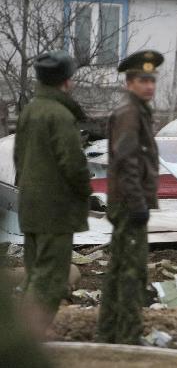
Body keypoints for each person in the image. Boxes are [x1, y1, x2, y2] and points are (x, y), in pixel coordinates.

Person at [13, 50, 91, 329]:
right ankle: (28, 341)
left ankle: (21, 337)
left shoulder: (31, 110)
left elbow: (18, 159)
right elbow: (73, 164)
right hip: (54, 211)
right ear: (66, 81)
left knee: (35, 275)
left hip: (31, 207)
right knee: (50, 280)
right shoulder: (59, 114)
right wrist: (86, 192)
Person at [97, 50, 163, 344]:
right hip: (128, 203)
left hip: (126, 201)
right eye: (142, 80)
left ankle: (109, 332)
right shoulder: (130, 113)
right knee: (131, 271)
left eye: (151, 80)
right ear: (129, 83)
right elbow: (126, 160)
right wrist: (138, 203)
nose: (149, 86)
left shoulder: (137, 111)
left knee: (119, 267)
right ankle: (127, 336)